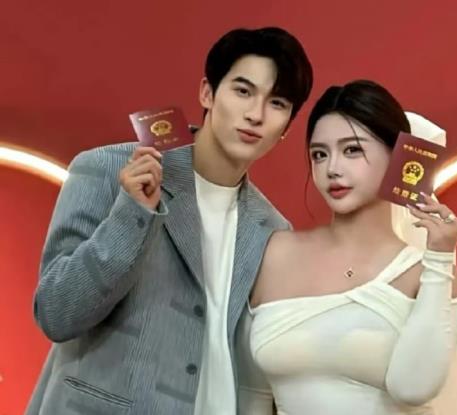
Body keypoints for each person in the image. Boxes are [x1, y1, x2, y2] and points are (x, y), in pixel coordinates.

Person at [26, 27, 313, 415]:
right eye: (243, 91)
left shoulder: (274, 230)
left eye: (277, 103)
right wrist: (132, 213)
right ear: (207, 93)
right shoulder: (107, 169)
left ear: (288, 127)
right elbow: (57, 313)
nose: (255, 114)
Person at [237, 80, 457, 414]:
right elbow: (252, 394)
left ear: (399, 157)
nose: (332, 169)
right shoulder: (276, 253)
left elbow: (413, 388)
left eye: (352, 150)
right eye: (319, 154)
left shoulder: (427, 274)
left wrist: (439, 259)